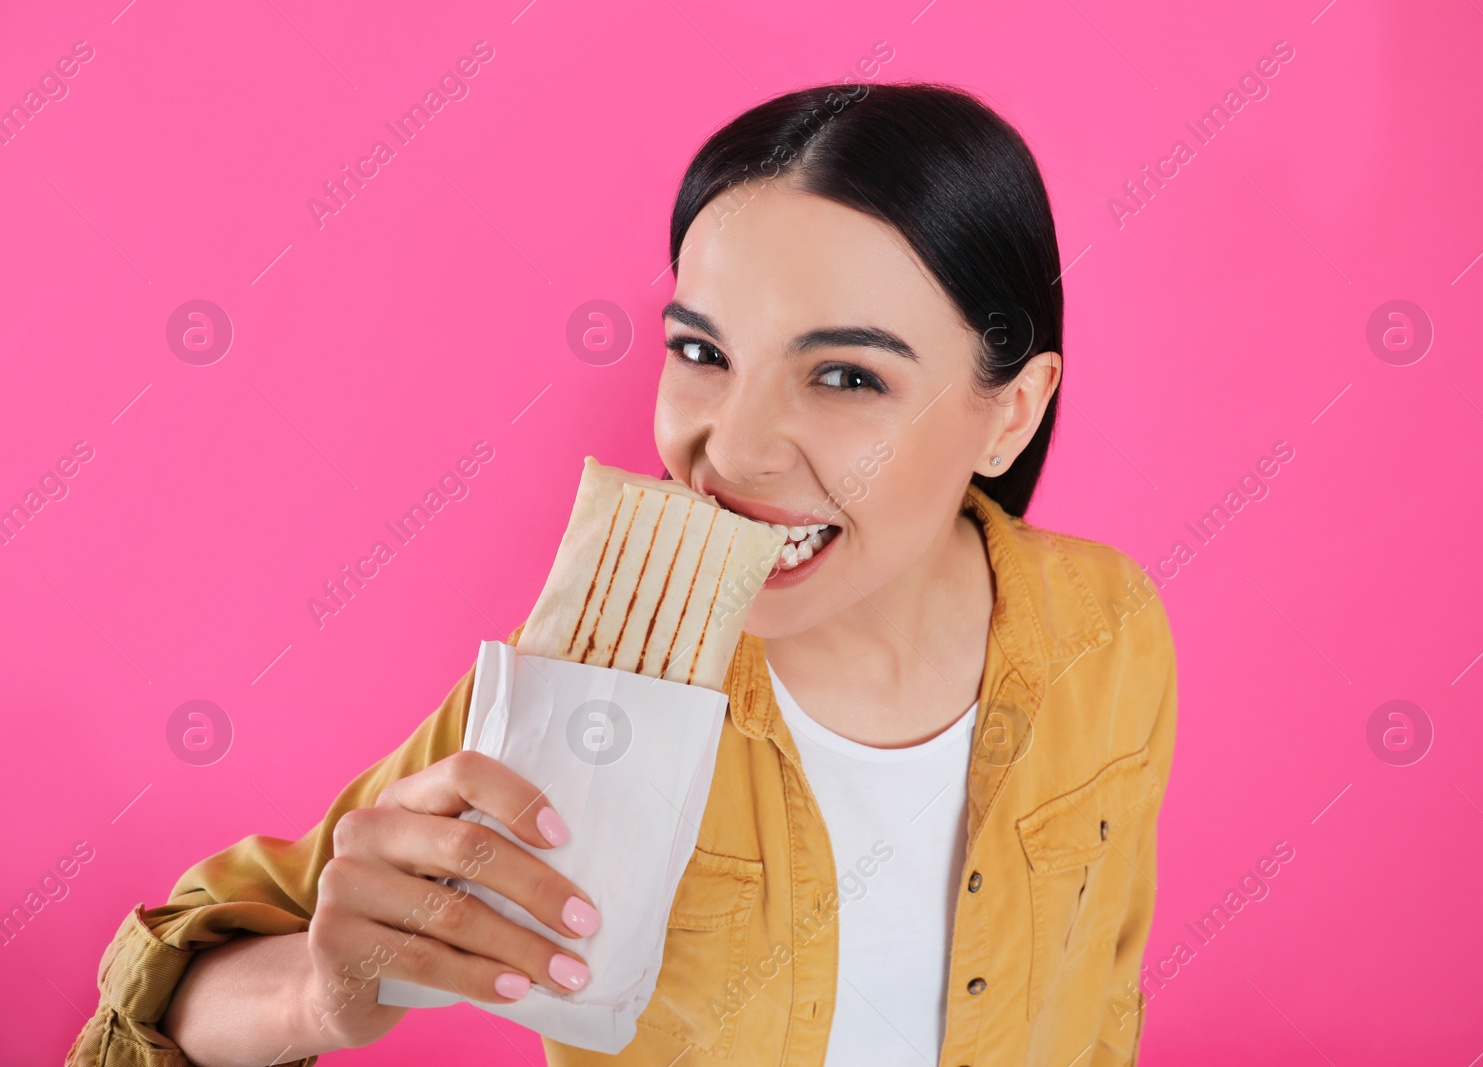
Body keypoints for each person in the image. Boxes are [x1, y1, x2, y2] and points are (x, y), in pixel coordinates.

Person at [67, 81, 1177, 1067]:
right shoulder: (593, 675)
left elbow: (1101, 993)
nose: (730, 452)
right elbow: (186, 987)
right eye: (700, 352)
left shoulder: (1109, 625)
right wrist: (319, 988)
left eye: (843, 374)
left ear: (1010, 411)